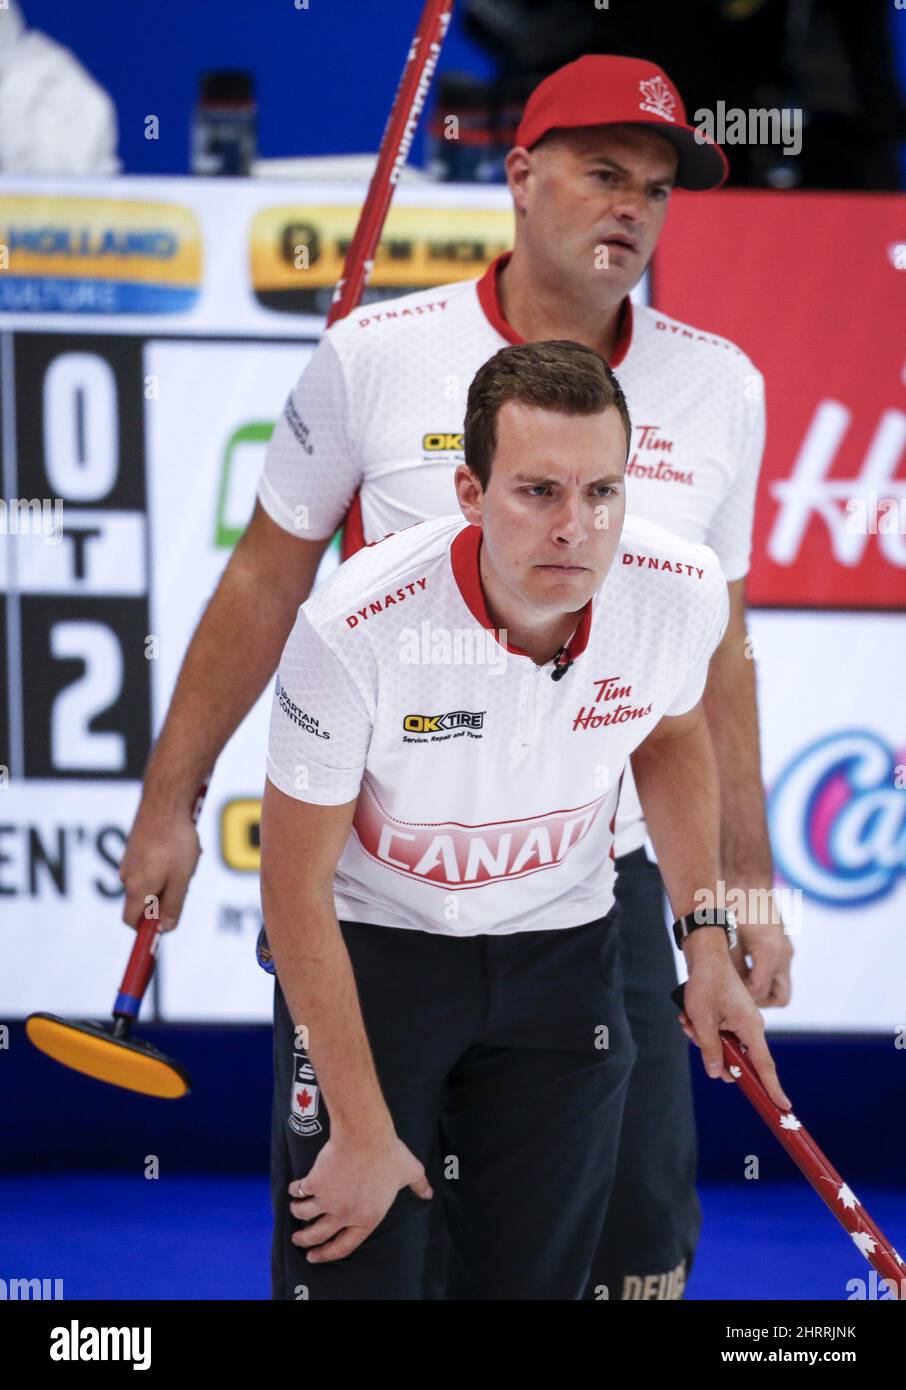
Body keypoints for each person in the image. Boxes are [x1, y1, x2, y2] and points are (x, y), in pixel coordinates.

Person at [119, 54, 793, 1300]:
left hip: (597, 878)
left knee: (635, 1242)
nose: (631, 209)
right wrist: (173, 799)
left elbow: (709, 663)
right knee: (370, 1233)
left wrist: (737, 890)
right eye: (603, 175)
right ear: (520, 178)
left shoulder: (720, 386)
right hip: (388, 873)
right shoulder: (377, 355)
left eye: (655, 186)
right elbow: (268, 584)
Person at [261, 339, 790, 1300]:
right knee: (354, 1275)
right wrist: (363, 1127)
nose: (575, 528)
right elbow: (293, 886)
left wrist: (705, 946)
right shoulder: (354, 629)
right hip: (380, 958)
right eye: (537, 491)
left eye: (601, 493)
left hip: (562, 958)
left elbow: (669, 740)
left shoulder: (677, 592)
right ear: (467, 491)